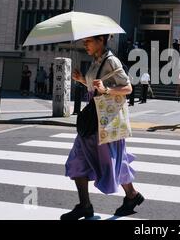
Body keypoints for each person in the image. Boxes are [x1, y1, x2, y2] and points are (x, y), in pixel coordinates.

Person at [62, 34, 144, 220]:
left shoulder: (111, 61)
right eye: (85, 41)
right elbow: (96, 86)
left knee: (113, 160)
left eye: (89, 41)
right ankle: (85, 205)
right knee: (79, 159)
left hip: (105, 122)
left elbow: (128, 88)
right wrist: (82, 79)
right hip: (94, 121)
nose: (85, 44)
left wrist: (106, 90)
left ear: (101, 41)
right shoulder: (96, 61)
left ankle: (131, 195)